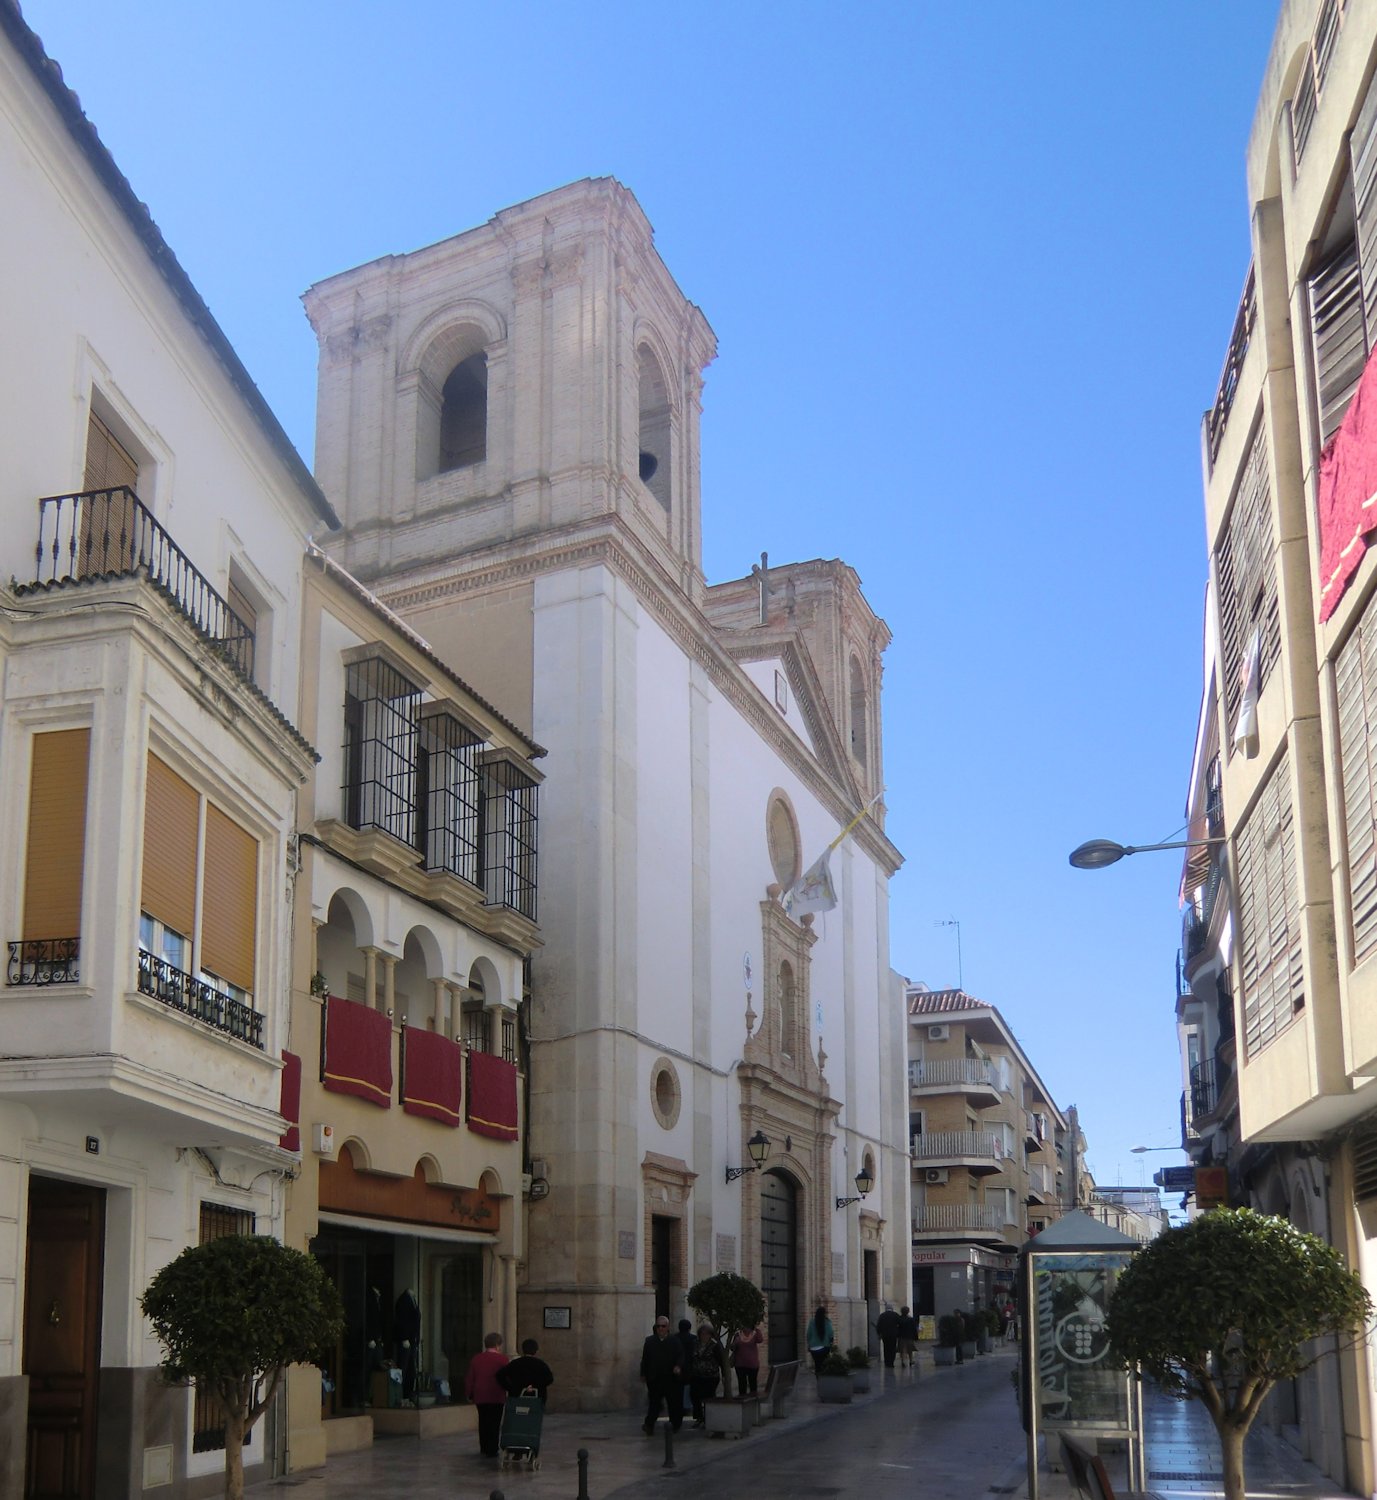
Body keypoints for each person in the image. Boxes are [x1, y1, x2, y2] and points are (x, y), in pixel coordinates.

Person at [464, 1332, 509, 1458]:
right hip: (496, 1395)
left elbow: (470, 1378)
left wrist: (469, 1393)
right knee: (494, 1422)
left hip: (480, 1395)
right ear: (497, 1345)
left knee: (483, 1421)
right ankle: (492, 1448)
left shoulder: (476, 1359)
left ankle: (484, 1447)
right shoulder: (503, 1359)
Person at [640, 1316, 683, 1435]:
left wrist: (678, 1366)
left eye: (663, 1326)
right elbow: (645, 1359)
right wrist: (643, 1373)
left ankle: (675, 1425)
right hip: (655, 1378)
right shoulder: (650, 1341)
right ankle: (649, 1425)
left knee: (673, 1403)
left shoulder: (675, 1341)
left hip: (670, 1378)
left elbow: (680, 1356)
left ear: (668, 1327)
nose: (660, 1329)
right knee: (654, 1403)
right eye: (658, 1326)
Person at [499, 1338, 555, 1403]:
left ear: (523, 1350)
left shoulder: (515, 1363)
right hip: (537, 1398)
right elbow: (549, 1379)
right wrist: (535, 1385)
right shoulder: (541, 1364)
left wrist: (510, 1388)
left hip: (516, 1396)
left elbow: (500, 1375)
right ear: (536, 1351)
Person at [689, 1324, 724, 1425]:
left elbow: (721, 1360)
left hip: (711, 1376)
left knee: (708, 1397)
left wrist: (724, 1375)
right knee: (694, 1396)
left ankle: (708, 1418)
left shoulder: (714, 1345)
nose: (704, 1336)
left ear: (710, 1335)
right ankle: (698, 1417)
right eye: (702, 1334)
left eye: (706, 1334)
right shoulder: (695, 1343)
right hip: (696, 1375)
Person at [730, 1322, 764, 1396]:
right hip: (740, 1365)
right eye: (745, 1326)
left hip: (752, 1365)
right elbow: (732, 1348)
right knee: (742, 1385)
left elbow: (760, 1340)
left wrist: (756, 1329)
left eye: (748, 1327)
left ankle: (753, 1403)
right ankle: (743, 1402)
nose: (746, 1328)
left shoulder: (754, 1335)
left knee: (753, 1385)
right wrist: (735, 1342)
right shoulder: (738, 1334)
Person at [805, 1302, 834, 1374]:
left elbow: (808, 1335)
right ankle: (823, 1381)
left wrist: (809, 1344)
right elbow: (831, 1334)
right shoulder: (827, 1322)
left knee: (817, 1365)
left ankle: (818, 1379)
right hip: (825, 1346)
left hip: (813, 1348)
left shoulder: (812, 1322)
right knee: (823, 1365)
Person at [875, 1302, 899, 1369]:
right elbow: (900, 1324)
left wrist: (879, 1333)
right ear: (892, 1308)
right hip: (893, 1335)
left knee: (886, 1348)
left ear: (886, 1309)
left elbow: (878, 1326)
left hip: (885, 1335)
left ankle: (887, 1362)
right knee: (893, 1348)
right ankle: (891, 1362)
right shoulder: (895, 1315)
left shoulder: (882, 1315)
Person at [895, 1306, 918, 1370]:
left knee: (902, 1350)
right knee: (910, 1349)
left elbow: (897, 1328)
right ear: (908, 1311)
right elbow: (914, 1329)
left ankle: (903, 1361)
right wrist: (916, 1337)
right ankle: (910, 1360)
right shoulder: (911, 1319)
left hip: (901, 1336)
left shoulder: (899, 1319)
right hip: (909, 1336)